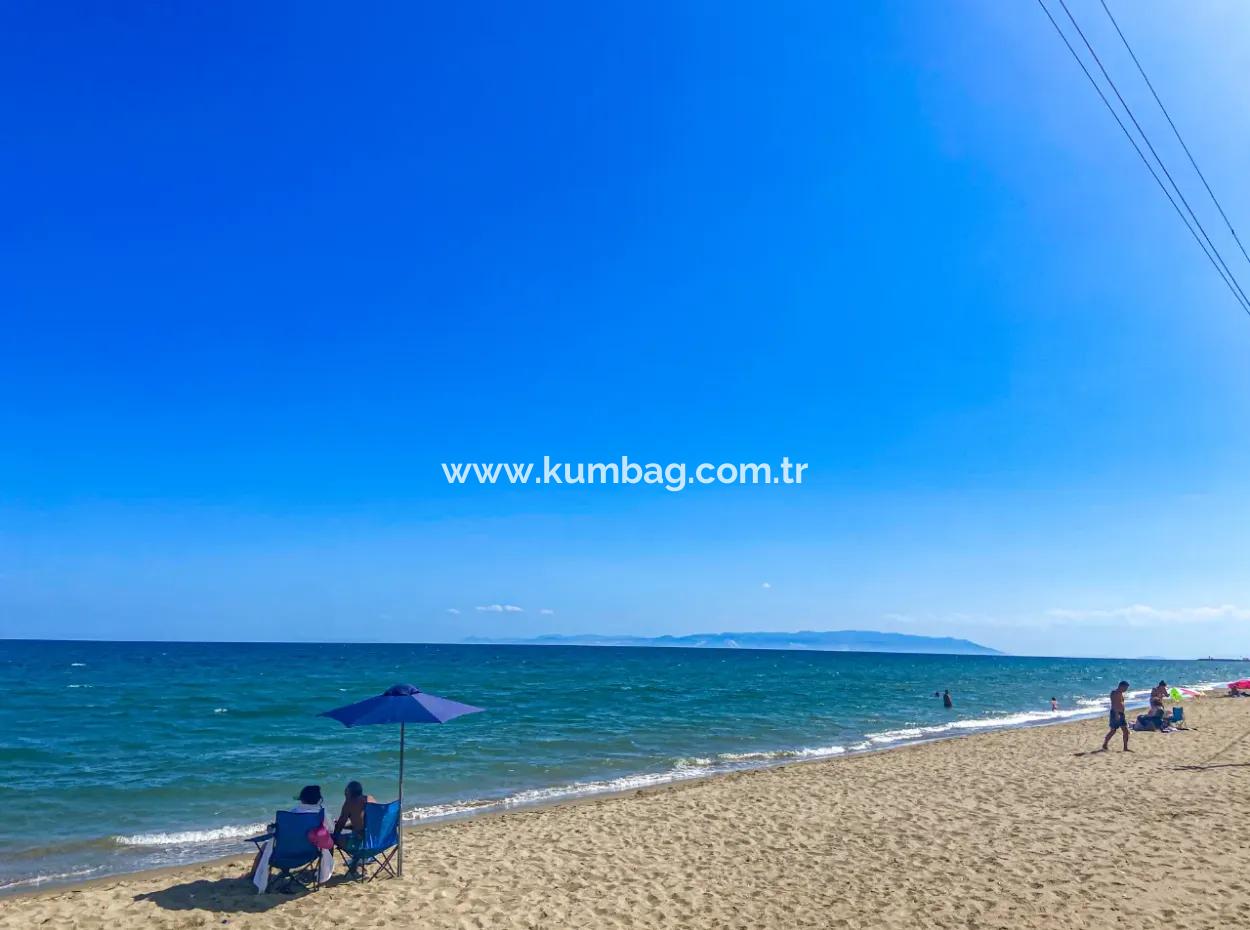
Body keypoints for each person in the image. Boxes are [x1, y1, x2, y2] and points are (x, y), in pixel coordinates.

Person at [249, 785, 335, 893]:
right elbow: (331, 830)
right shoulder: (321, 814)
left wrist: (270, 829)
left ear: (302, 799)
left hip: (283, 856)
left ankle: (252, 875)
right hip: (309, 854)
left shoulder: (292, 813)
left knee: (266, 846)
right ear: (318, 799)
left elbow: (276, 832)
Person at [333, 780, 376, 853]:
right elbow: (363, 822)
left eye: (346, 792)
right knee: (357, 830)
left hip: (359, 842)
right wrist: (346, 825)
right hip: (375, 840)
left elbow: (339, 826)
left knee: (330, 838)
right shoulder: (370, 798)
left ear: (348, 793)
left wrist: (334, 836)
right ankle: (360, 859)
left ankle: (328, 864)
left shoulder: (349, 803)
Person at [1100, 681, 1132, 752]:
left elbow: (1120, 703)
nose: (1126, 690)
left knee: (1125, 731)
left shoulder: (1120, 693)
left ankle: (1125, 748)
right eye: (1125, 688)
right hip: (1115, 713)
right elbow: (1114, 704)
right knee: (1113, 730)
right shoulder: (1115, 693)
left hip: (1120, 714)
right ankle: (1105, 744)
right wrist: (1117, 714)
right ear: (1121, 686)